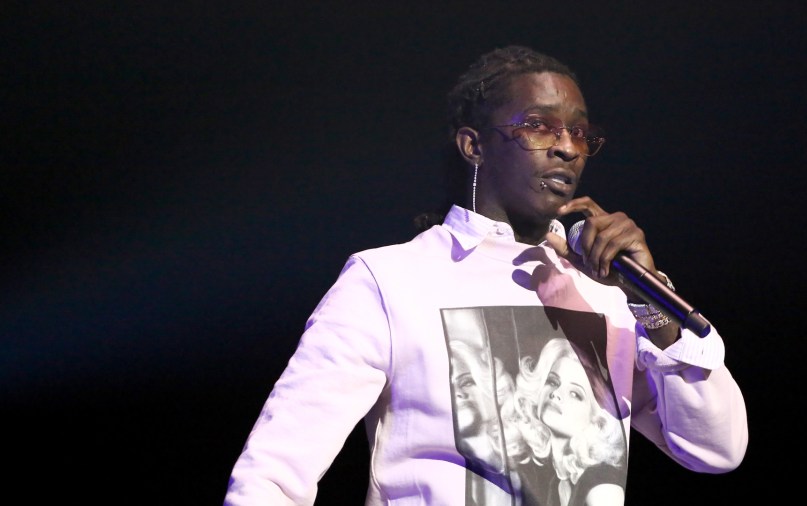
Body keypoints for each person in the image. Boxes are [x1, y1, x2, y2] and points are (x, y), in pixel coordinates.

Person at [223, 45, 748, 506]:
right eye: (538, 125)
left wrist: (650, 302)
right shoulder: (389, 279)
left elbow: (715, 449)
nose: (566, 146)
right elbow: (274, 473)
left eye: (580, 133)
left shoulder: (609, 292)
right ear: (474, 145)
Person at [513, 337, 627, 505]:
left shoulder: (603, 485)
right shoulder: (558, 484)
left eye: (575, 394)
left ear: (598, 421)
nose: (556, 393)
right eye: (552, 382)